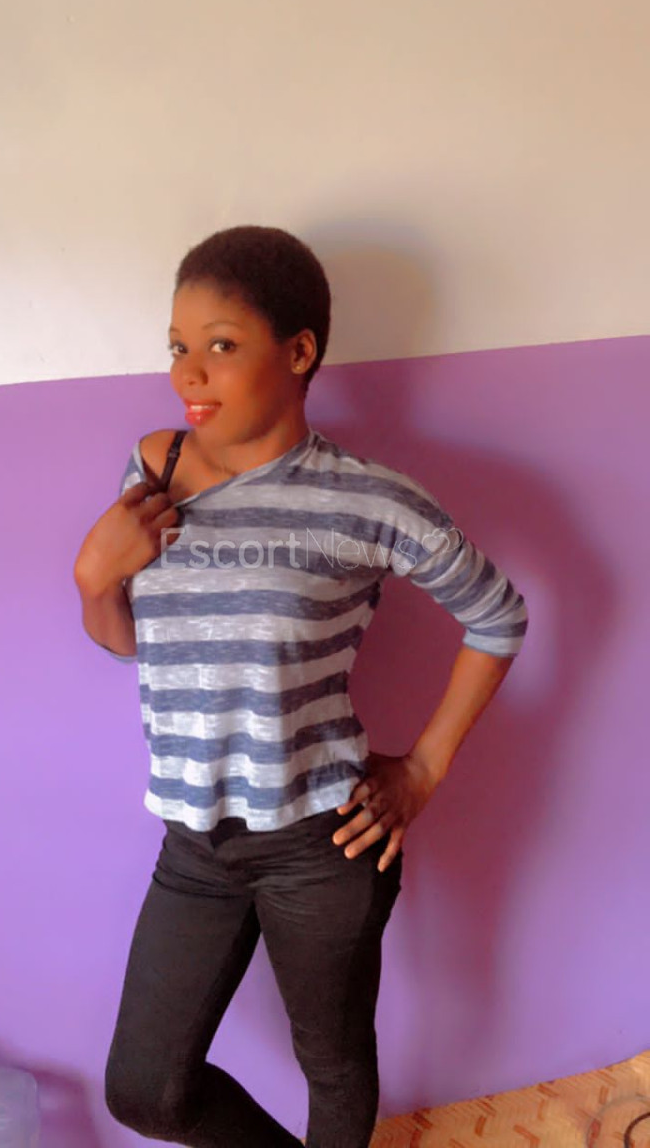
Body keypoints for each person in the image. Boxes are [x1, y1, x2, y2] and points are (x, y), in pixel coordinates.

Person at [73, 225, 529, 1148]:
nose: (187, 373)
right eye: (177, 345)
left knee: (332, 1062)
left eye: (220, 344)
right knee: (145, 1092)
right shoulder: (155, 468)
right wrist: (92, 580)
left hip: (320, 841)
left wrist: (424, 770)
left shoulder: (367, 499)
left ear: (299, 351)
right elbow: (134, 649)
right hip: (194, 840)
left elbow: (498, 616)